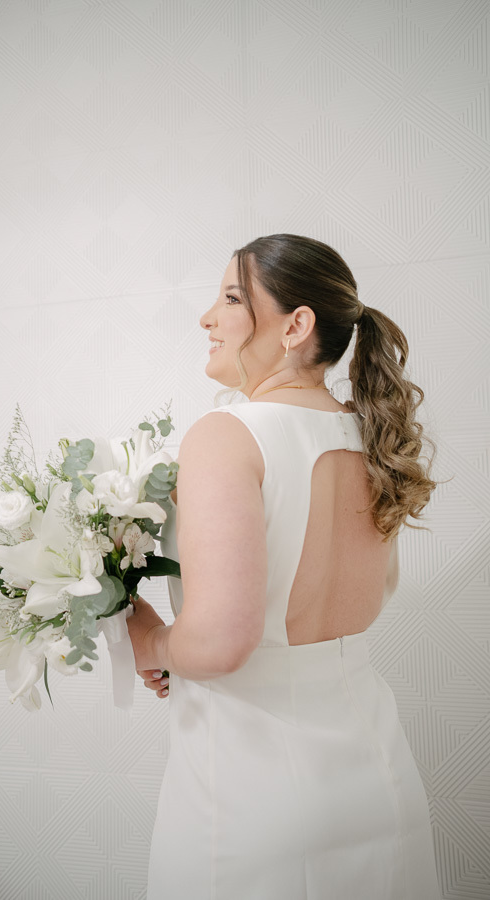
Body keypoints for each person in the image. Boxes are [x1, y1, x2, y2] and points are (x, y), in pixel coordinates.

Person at [126, 234, 441, 899]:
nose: (207, 318)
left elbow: (220, 644)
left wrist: (148, 638)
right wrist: (183, 655)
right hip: (378, 779)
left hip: (250, 795)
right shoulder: (373, 439)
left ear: (297, 326)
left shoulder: (228, 434)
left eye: (230, 298)